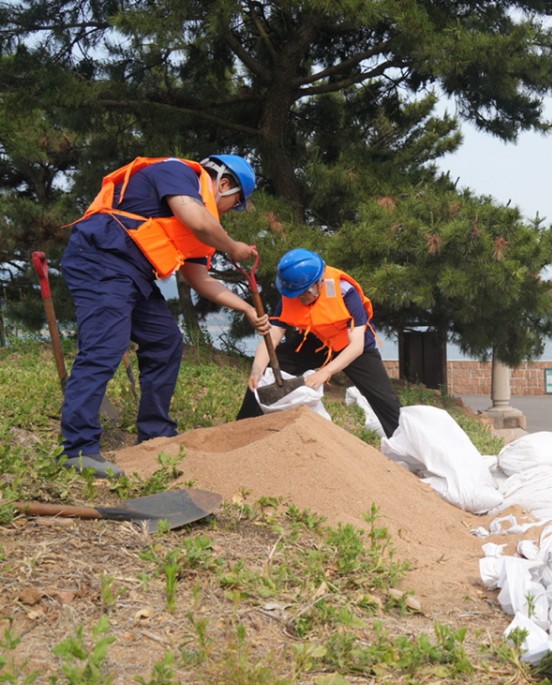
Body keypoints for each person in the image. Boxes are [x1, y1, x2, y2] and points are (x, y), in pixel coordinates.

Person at [58, 154, 269, 477]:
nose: (230, 212)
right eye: (235, 204)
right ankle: (79, 449)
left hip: (134, 274)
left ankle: (155, 434)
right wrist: (232, 246)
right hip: (101, 258)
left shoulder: (206, 225)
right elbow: (196, 219)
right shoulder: (178, 172)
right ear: (225, 185)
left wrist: (247, 308)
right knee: (105, 348)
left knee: (164, 340)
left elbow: (200, 279)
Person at [235, 248, 402, 437]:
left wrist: (325, 372)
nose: (303, 297)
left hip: (352, 346)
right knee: (269, 367)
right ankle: (241, 429)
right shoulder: (290, 294)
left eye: (307, 291)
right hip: (317, 341)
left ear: (320, 279)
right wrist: (257, 370)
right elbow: (272, 337)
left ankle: (402, 443)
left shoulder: (345, 291)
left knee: (385, 400)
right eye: (297, 294)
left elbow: (357, 345)